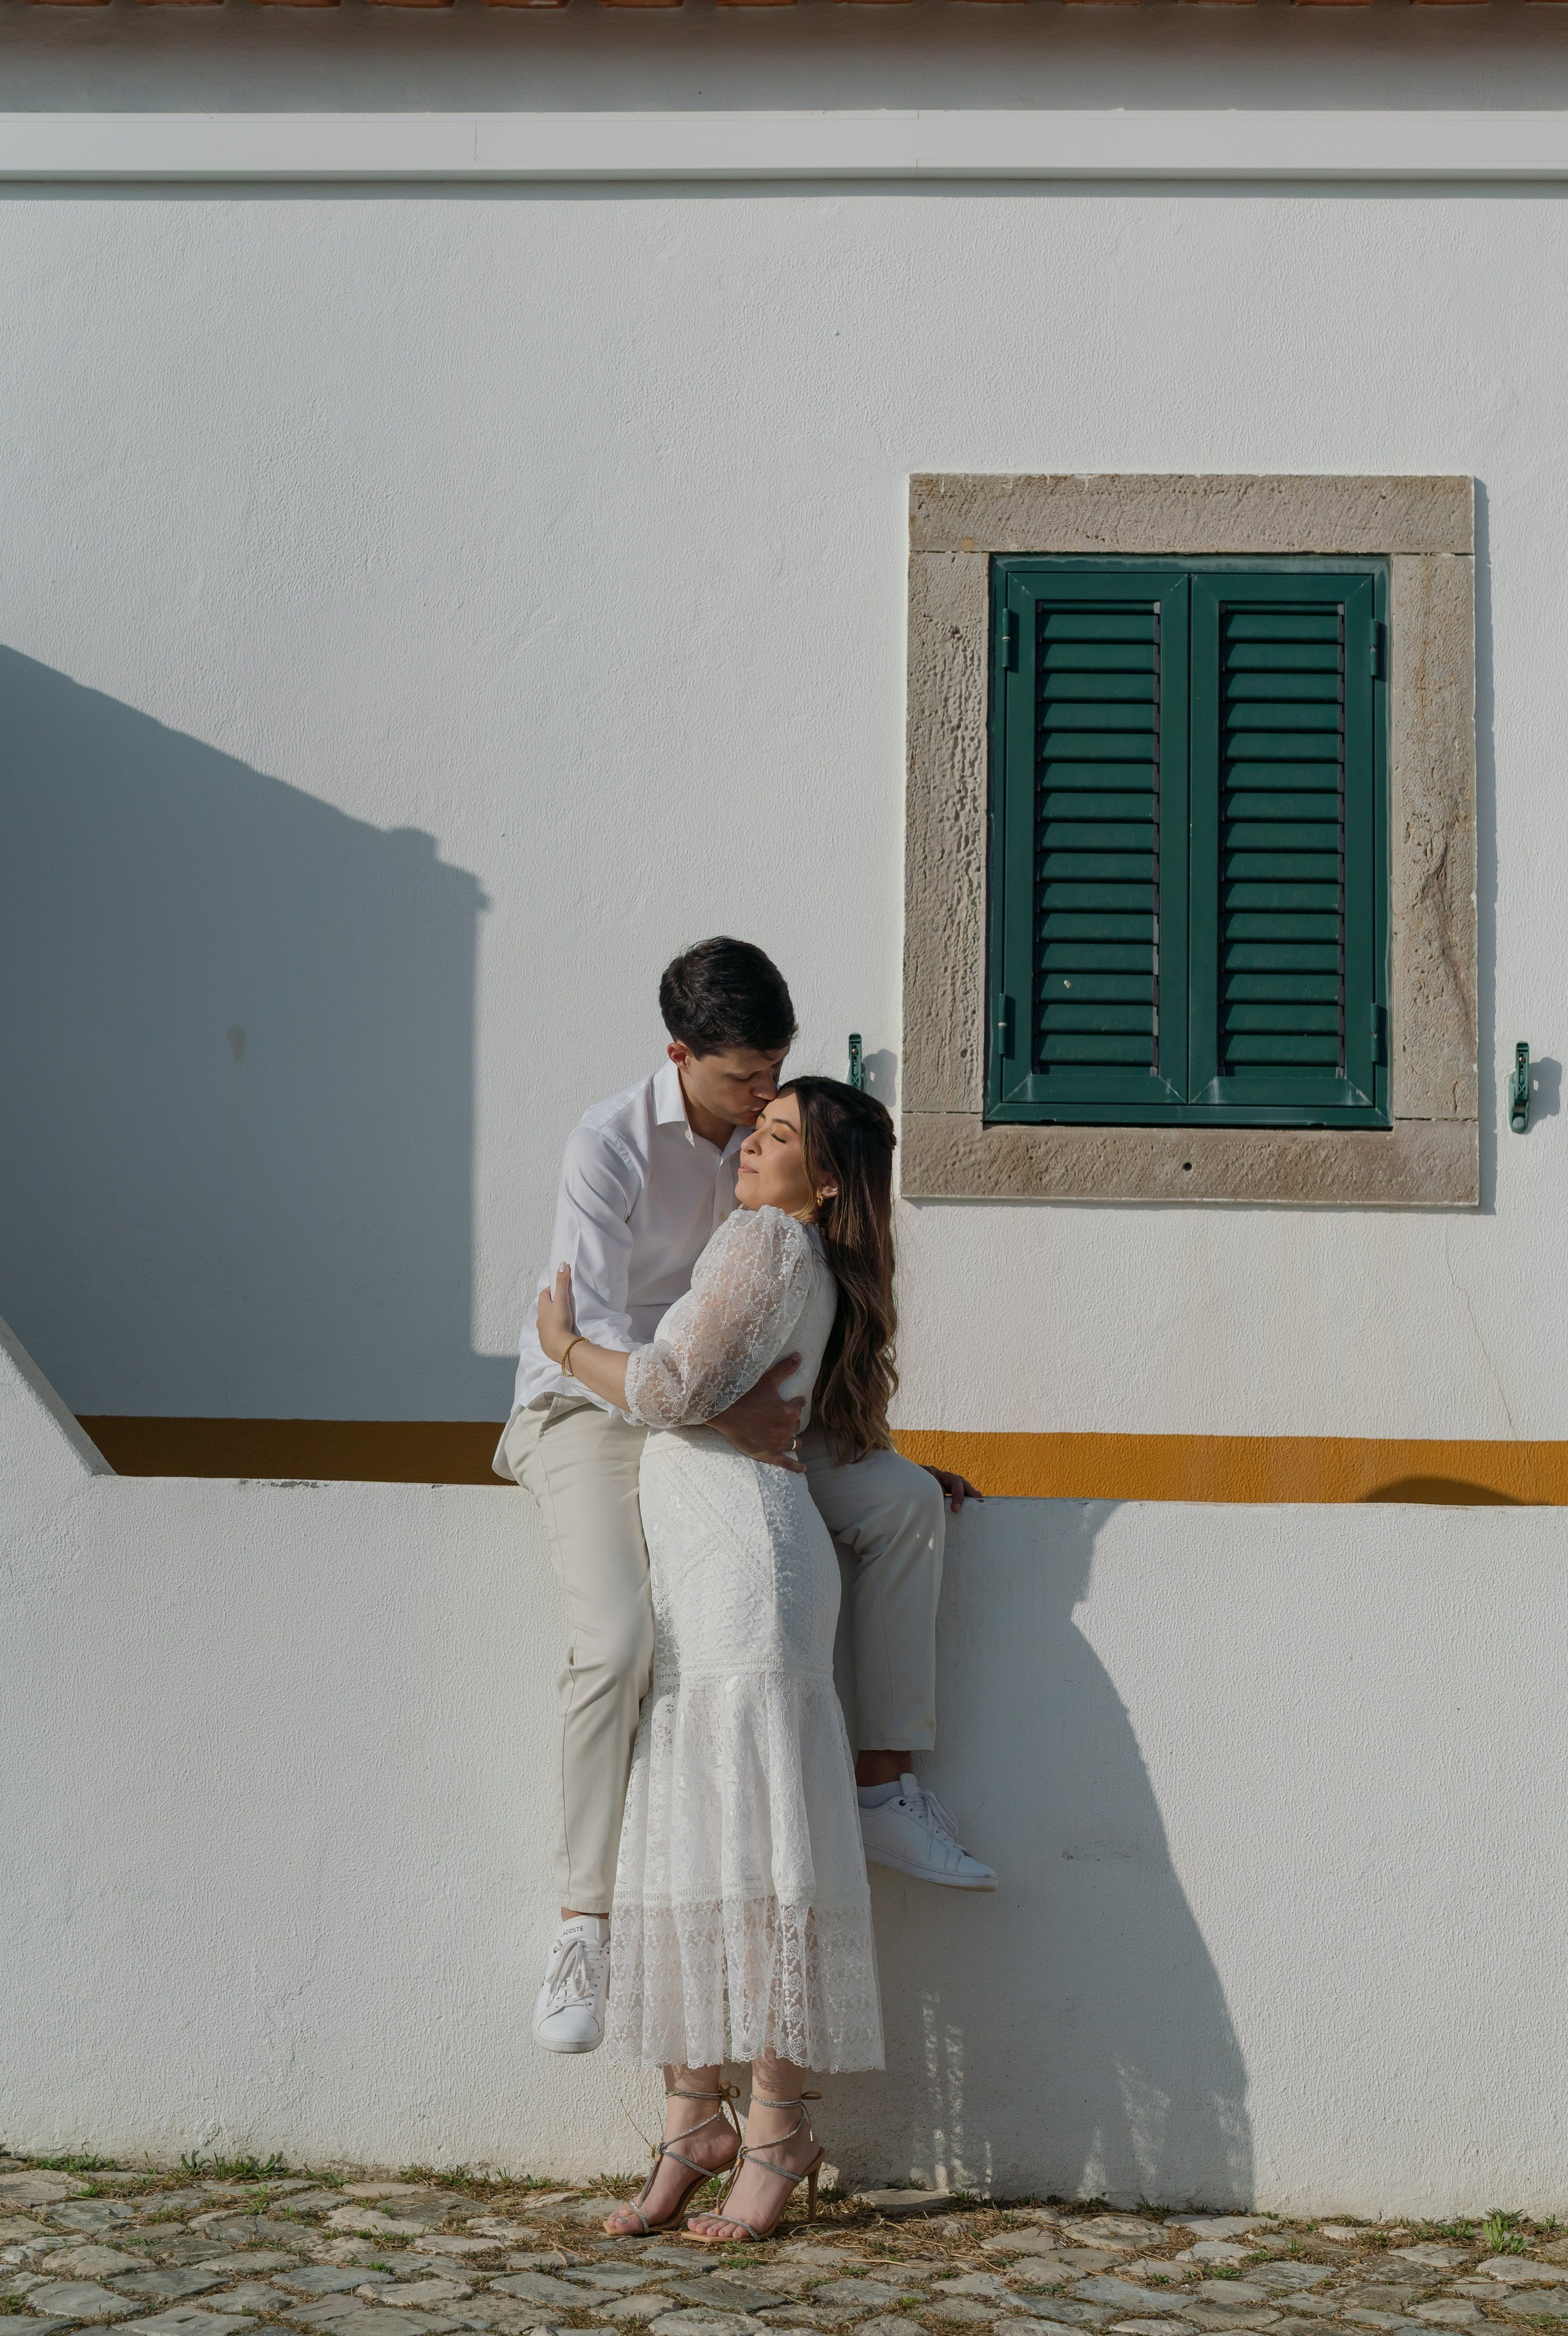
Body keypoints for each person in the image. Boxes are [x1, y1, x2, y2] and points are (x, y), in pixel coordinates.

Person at [495, 938, 993, 2063]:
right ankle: (583, 1922)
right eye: (743, 1081)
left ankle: (880, 1782)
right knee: (618, 1640)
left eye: (778, 1072)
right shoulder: (608, 1146)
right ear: (680, 1054)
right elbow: (590, 1333)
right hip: (591, 1410)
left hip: (738, 1424)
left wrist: (863, 1443)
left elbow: (782, 1325)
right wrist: (709, 1414)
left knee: (905, 1501)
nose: (766, 1096)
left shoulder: (773, 1160)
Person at [534, 1077, 898, 2240]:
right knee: (708, 1848)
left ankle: (777, 2126)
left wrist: (563, 1346)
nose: (753, 1142)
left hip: (743, 1568)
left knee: (752, 1864)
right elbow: (719, 1397)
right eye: (761, 1121)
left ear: (826, 1180)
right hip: (726, 1563)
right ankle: (698, 2116)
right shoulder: (805, 1256)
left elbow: (667, 1384)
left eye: (782, 1135)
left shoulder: (761, 1237)